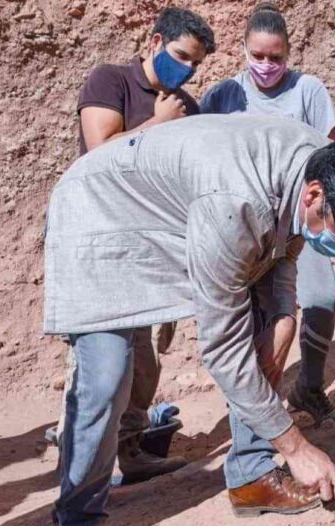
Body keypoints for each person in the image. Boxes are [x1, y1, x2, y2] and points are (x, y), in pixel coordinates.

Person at [44, 114, 335, 526]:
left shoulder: (321, 162)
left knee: (268, 336)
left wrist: (283, 315)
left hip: (183, 209)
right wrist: (295, 446)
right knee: (107, 374)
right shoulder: (234, 206)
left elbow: (285, 243)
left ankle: (253, 474)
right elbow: (222, 350)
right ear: (315, 195)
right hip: (99, 212)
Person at [66, 6, 215, 484]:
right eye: (180, 56)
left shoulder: (188, 107)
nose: (188, 69)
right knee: (104, 365)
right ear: (154, 42)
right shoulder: (111, 81)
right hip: (101, 241)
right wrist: (157, 123)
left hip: (152, 246)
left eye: (195, 63)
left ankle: (130, 452)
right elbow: (99, 153)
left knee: (145, 358)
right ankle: (80, 475)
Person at [199, 2, 335, 425]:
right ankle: (256, 412)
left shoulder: (308, 92)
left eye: (275, 57)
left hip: (301, 221)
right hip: (244, 228)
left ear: (289, 53)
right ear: (243, 50)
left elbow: (331, 155)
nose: (266, 65)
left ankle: (311, 389)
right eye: (257, 56)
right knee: (251, 318)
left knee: (320, 298)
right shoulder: (224, 96)